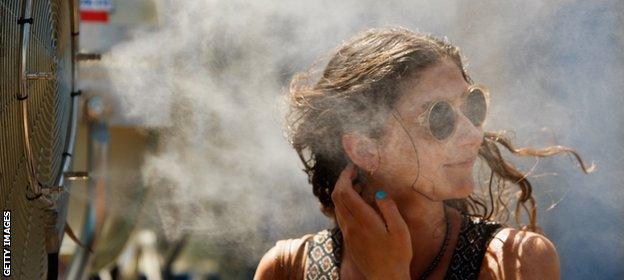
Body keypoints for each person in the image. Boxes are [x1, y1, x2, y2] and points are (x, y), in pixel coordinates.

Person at [254, 27, 591, 279]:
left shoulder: (514, 262)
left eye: (473, 106)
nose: (474, 135)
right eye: (439, 116)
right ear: (364, 148)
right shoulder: (287, 268)